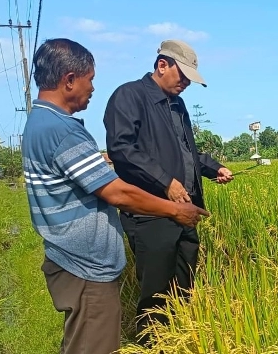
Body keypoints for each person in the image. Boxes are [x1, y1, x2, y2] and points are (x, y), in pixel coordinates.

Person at [21, 38, 210, 354]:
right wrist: (173, 209)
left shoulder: (42, 122)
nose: (93, 88)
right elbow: (117, 192)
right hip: (84, 267)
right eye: (90, 79)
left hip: (74, 261)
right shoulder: (61, 129)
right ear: (69, 80)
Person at [103, 39, 234, 346]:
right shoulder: (129, 96)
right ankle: (150, 346)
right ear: (163, 65)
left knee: (183, 289)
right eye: (183, 75)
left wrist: (214, 169)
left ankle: (179, 343)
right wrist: (165, 181)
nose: (186, 82)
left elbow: (187, 153)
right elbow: (121, 149)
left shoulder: (177, 104)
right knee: (156, 295)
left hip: (186, 213)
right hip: (152, 215)